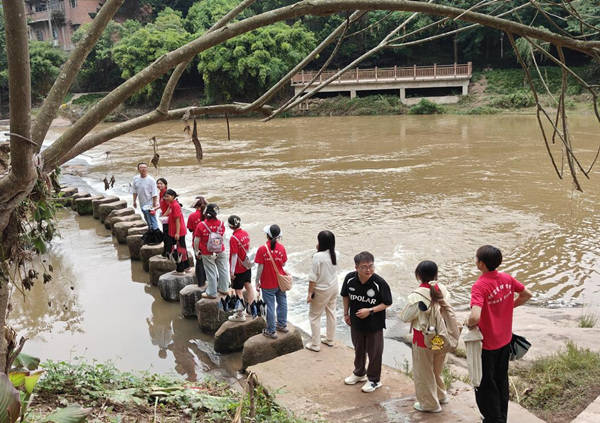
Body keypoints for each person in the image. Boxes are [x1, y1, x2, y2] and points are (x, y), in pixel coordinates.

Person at [466, 245, 532, 423]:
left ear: (481, 264)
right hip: (505, 341)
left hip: (487, 345)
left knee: (486, 384)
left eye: (477, 259)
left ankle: (493, 419)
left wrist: (468, 322)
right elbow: (527, 294)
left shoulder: (480, 286)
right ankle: (502, 416)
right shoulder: (507, 279)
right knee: (501, 379)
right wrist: (508, 306)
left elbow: (475, 316)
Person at [400, 260, 454, 413]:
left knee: (423, 371)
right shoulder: (442, 289)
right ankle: (441, 395)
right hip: (440, 337)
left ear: (418, 275)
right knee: (436, 368)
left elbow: (405, 316)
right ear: (436, 274)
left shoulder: (417, 295)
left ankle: (429, 404)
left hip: (423, 339)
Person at [341, 251, 392, 393]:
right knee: (358, 349)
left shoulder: (379, 283)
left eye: (371, 266)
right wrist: (346, 313)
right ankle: (359, 373)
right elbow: (345, 295)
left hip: (374, 324)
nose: (368, 270)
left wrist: (369, 311)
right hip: (355, 322)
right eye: (364, 267)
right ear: (356, 267)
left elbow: (387, 303)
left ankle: (374, 380)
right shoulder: (350, 279)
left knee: (374, 352)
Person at [305, 230, 338, 352]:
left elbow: (313, 278)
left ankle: (315, 344)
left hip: (321, 290)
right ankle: (330, 339)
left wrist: (309, 294)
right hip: (334, 287)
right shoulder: (336, 254)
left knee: (314, 316)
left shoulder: (317, 257)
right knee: (331, 312)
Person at [255, 224, 288, 339]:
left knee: (270, 306)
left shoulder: (262, 249)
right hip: (280, 281)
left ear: (267, 235)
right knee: (282, 301)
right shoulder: (282, 248)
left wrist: (256, 282)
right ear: (279, 236)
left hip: (267, 282)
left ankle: (271, 331)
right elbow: (283, 263)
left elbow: (260, 268)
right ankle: (282, 324)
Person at [193, 203, 229, 299]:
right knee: (223, 269)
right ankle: (224, 289)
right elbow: (223, 237)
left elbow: (196, 240)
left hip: (207, 252)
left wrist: (197, 251)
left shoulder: (201, 225)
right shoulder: (221, 223)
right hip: (220, 250)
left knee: (211, 272)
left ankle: (212, 293)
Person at [227, 215, 254, 322]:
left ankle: (240, 314)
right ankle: (252, 309)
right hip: (247, 265)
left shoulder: (233, 238)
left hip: (238, 268)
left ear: (230, 226)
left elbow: (234, 256)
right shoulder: (245, 234)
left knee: (238, 290)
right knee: (248, 285)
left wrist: (232, 271)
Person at [163, 189, 191, 274]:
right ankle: (186, 266)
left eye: (168, 196)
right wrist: (163, 216)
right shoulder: (171, 204)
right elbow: (168, 211)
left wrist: (177, 233)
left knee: (179, 249)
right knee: (180, 247)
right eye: (165, 196)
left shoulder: (175, 206)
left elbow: (177, 220)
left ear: (173, 197)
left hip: (178, 230)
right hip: (174, 229)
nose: (166, 198)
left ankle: (181, 269)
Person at [132, 162, 159, 230]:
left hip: (150, 203)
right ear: (138, 169)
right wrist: (134, 201)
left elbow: (154, 194)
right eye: (141, 167)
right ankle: (151, 232)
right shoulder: (135, 179)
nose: (143, 169)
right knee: (146, 218)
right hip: (142, 203)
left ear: (147, 169)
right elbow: (135, 191)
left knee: (152, 220)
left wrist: (154, 206)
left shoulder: (151, 180)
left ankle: (156, 234)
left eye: (145, 167)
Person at [187, 196, 207, 286]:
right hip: (208, 243)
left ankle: (201, 283)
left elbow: (190, 229)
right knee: (210, 264)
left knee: (199, 263)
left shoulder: (192, 216)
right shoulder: (208, 215)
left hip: (197, 243)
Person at [156, 178, 172, 256]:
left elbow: (170, 207)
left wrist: (164, 215)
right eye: (158, 183)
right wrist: (156, 208)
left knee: (167, 235)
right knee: (166, 234)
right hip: (164, 217)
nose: (159, 185)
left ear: (165, 185)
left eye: (161, 183)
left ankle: (168, 252)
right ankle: (166, 251)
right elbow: (162, 204)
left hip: (169, 218)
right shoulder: (161, 193)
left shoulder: (166, 194)